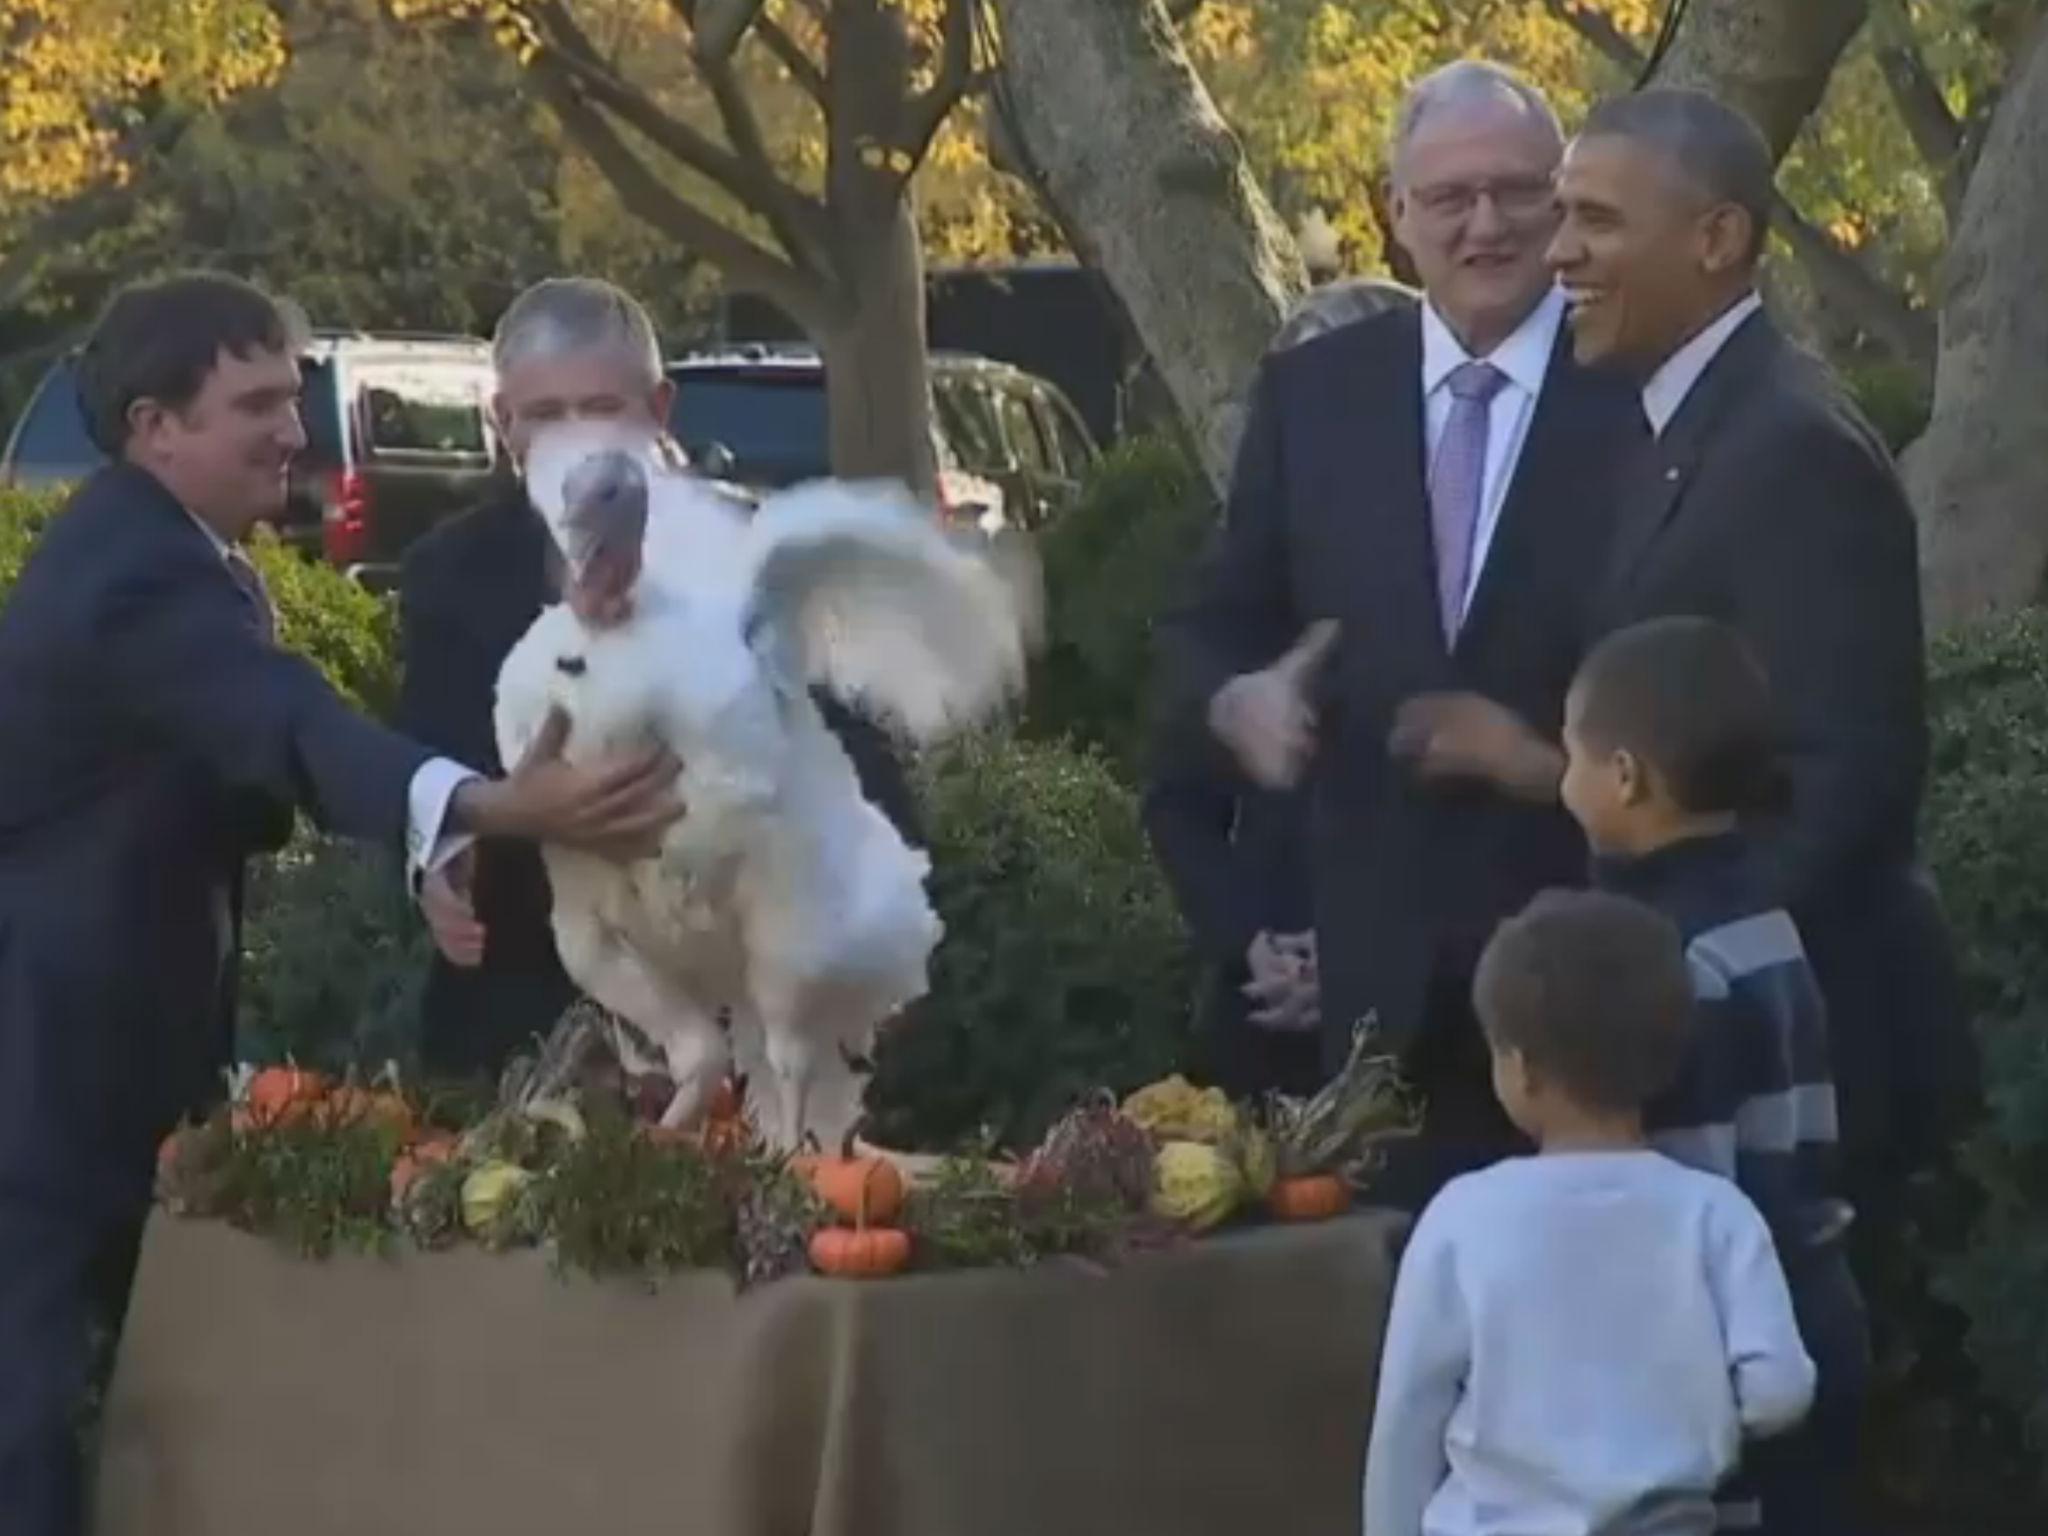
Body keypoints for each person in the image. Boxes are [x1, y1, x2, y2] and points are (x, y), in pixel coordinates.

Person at [0, 271, 682, 1535]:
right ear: (157, 427)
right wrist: (480, 808)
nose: (293, 431)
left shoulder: (175, 557)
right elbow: (288, 723)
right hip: (38, 1078)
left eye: (291, 395)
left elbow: (254, 764)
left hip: (97, 1068)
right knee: (22, 1427)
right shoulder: (137, 575)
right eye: (255, 402)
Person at [1391, 87, 1970, 1234]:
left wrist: (1656, 997)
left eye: (1594, 223)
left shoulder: (1789, 449)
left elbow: (1844, 778)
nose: (1556, 254)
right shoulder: (1669, 424)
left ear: (1716, 239)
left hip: (1797, 1087)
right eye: (1560, 218)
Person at [1154, 61, 1642, 1205]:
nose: (1485, 225)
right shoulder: (1314, 396)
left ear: (1561, 202)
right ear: (1395, 215)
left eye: (1518, 193)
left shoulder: (1635, 392)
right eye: (1449, 198)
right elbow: (1210, 624)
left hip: (1575, 996)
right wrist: (1236, 699)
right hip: (1362, 1015)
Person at [400, 276, 918, 1079]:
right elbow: (425, 772)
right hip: (516, 1016)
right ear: (502, 422)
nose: (576, 440)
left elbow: (862, 760)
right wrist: (437, 863)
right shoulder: (447, 575)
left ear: (659, 409)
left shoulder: (755, 560)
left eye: (603, 408)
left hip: (741, 1003)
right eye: (545, 415)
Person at [1363, 888, 1816, 1536]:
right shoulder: (1717, 1214)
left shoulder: (1462, 1218)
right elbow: (1781, 1391)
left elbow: (1409, 1413)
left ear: (1520, 1069)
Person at [1561, 615, 1868, 1533]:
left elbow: (1685, 1194)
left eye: (1571, 753)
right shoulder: (1763, 914)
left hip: (1736, 1334)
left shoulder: (1664, 960)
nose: (1561, 779)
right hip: (1819, 1292)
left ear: (1624, 779)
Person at [1143, 279, 1418, 1098]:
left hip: (1432, 1015)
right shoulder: (1240, 581)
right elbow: (1174, 797)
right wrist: (1249, 940)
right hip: (1265, 1018)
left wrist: (1361, 959)